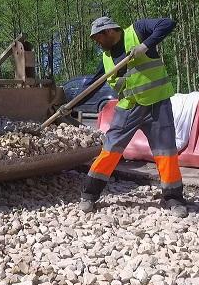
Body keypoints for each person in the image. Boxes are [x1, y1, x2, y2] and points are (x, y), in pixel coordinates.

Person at [79, 16, 188, 218]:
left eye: (98, 38)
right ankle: (89, 194)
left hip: (157, 104)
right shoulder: (107, 57)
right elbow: (94, 84)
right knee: (110, 150)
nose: (97, 43)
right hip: (129, 107)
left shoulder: (137, 31)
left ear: (109, 32)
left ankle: (173, 198)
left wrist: (145, 46)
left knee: (166, 153)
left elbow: (168, 23)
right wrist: (71, 104)